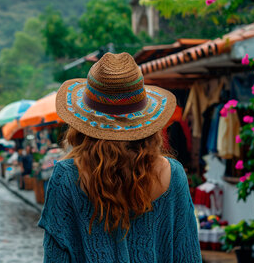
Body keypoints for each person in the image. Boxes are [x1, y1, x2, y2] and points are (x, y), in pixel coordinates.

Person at [38, 52, 202, 262]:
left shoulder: (67, 177)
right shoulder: (173, 175)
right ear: (146, 121)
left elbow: (55, 258)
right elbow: (188, 256)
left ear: (84, 122)